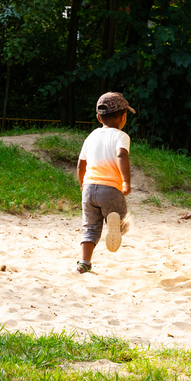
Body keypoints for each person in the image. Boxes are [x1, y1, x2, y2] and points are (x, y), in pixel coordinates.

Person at [75, 92, 134, 274]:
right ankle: (115, 226)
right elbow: (121, 155)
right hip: (110, 189)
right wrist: (126, 181)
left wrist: (82, 184)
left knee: (90, 227)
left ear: (99, 118)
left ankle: (84, 263)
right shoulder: (121, 136)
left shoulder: (92, 136)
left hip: (89, 188)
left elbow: (81, 164)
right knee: (122, 223)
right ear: (123, 117)